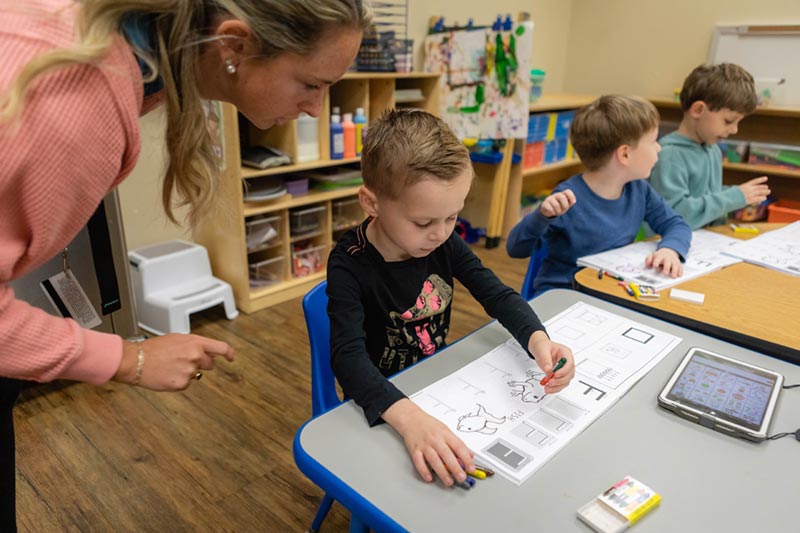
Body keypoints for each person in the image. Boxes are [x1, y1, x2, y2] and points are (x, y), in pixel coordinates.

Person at [0, 0, 369, 529]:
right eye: (311, 83)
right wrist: (133, 360)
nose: (316, 108)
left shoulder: (133, 62)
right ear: (234, 45)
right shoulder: (75, 103)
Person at [326, 108, 575, 488]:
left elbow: (496, 294)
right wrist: (410, 419)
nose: (441, 233)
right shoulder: (349, 264)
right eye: (424, 222)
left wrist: (539, 340)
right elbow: (348, 359)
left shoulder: (443, 242)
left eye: (452, 217)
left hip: (435, 382)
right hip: (381, 397)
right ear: (371, 202)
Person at [506, 95, 692, 295]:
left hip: (610, 290)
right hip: (567, 295)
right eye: (653, 141)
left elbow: (676, 224)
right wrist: (541, 217)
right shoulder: (567, 199)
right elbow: (515, 248)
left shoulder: (639, 189)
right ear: (625, 155)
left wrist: (670, 249)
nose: (659, 147)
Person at [649, 63, 771, 229]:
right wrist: (732, 197)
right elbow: (674, 215)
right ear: (698, 110)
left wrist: (740, 194)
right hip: (670, 247)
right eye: (728, 121)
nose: (735, 130)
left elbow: (704, 195)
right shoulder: (670, 155)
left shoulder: (712, 149)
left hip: (706, 243)